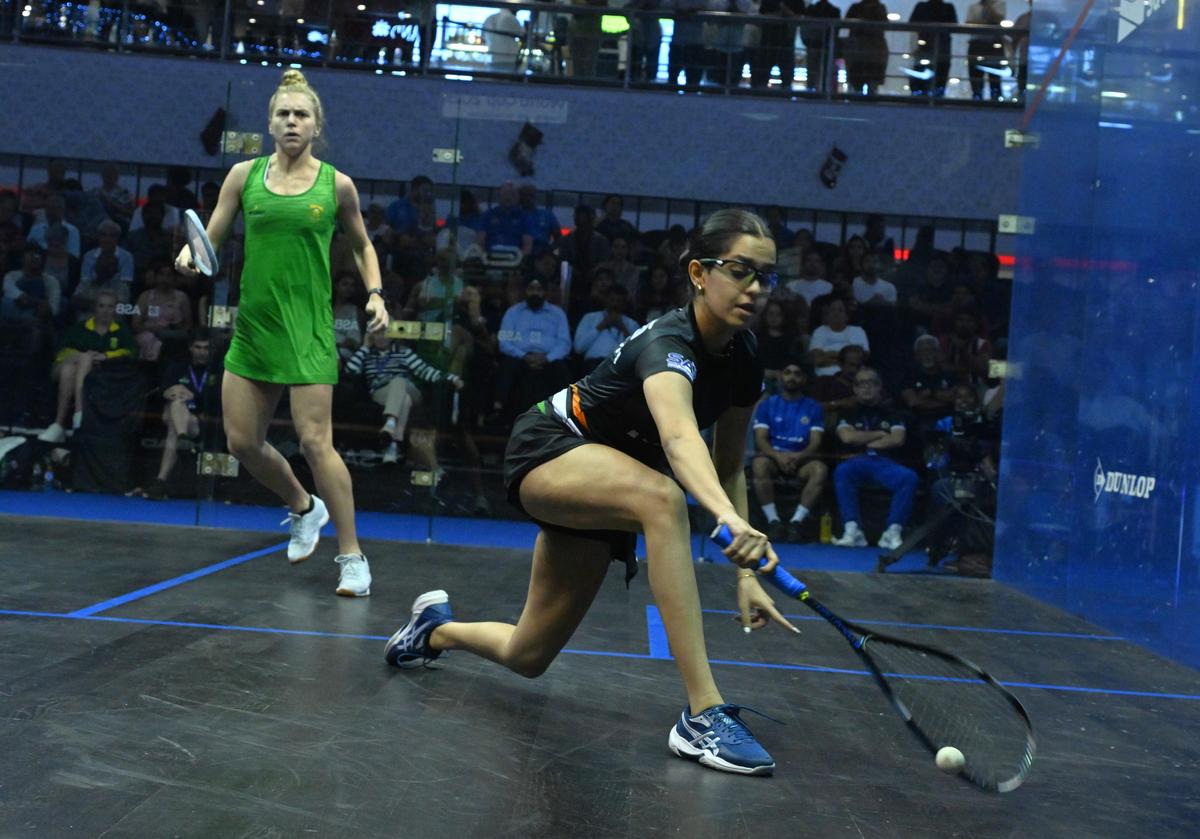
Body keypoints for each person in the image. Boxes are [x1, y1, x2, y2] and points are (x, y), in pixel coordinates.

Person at [384, 209, 800, 776]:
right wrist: (728, 520)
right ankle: (703, 713)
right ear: (700, 273)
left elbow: (728, 465)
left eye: (766, 276)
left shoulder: (746, 358)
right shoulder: (668, 343)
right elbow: (680, 440)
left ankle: (434, 631)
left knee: (527, 655)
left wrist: (746, 572)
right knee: (663, 498)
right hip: (551, 448)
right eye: (740, 270)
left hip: (611, 489)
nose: (755, 287)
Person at [174, 69, 389, 598]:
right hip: (254, 327)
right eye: (283, 114)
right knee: (242, 442)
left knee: (317, 442)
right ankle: (302, 506)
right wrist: (189, 255)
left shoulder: (336, 185)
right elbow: (212, 236)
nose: (292, 121)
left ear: (316, 126)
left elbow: (363, 245)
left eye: (302, 115)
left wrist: (376, 293)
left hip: (309, 329)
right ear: (270, 124)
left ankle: (353, 557)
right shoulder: (243, 177)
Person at [344, 330, 464, 466]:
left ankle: (390, 424)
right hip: (382, 392)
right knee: (404, 399)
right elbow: (350, 370)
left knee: (399, 381)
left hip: (410, 389)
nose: (381, 337)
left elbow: (425, 371)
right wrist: (365, 346)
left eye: (385, 333)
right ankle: (394, 444)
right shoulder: (367, 354)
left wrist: (452, 378)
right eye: (377, 334)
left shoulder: (403, 352)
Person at [830, 366, 917, 551]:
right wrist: (879, 434)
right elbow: (847, 437)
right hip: (857, 462)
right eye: (861, 383)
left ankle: (892, 531)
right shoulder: (847, 413)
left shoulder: (893, 413)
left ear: (880, 387)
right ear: (855, 388)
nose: (866, 387)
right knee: (842, 471)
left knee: (908, 477)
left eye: (871, 383)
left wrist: (863, 440)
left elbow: (897, 439)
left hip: (885, 463)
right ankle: (852, 530)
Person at [38, 289, 136, 444]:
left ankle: (59, 424)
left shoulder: (121, 330)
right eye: (101, 306)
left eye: (110, 307)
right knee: (75, 362)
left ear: (115, 309)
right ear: (95, 308)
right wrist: (82, 356)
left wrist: (105, 356)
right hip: (68, 365)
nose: (105, 311)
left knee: (70, 370)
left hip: (101, 373)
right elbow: (62, 352)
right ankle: (78, 415)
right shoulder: (80, 327)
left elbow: (131, 352)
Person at [751, 360, 828, 542]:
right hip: (773, 458)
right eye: (787, 372)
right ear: (781, 377)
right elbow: (760, 438)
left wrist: (798, 456)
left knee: (820, 470)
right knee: (759, 464)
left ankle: (796, 522)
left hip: (802, 460)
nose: (792, 377)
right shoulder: (767, 405)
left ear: (803, 379)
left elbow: (816, 442)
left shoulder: (814, 407)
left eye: (797, 373)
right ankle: (774, 521)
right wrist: (777, 456)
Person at [139, 331, 218, 500]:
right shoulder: (178, 366)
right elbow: (163, 391)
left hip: (200, 423)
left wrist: (193, 396)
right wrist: (174, 393)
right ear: (191, 348)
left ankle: (160, 480)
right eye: (198, 347)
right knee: (176, 406)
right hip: (180, 418)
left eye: (206, 348)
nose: (202, 352)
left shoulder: (217, 370)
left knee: (174, 422)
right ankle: (183, 439)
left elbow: (217, 400)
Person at [573, 283, 640, 374]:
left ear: (624, 304)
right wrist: (601, 326)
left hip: (619, 367)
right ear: (605, 300)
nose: (615, 304)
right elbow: (579, 348)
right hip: (592, 365)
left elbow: (636, 353)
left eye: (619, 301)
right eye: (612, 300)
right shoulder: (590, 318)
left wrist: (623, 328)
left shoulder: (631, 324)